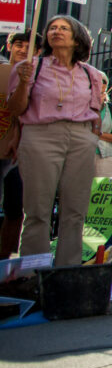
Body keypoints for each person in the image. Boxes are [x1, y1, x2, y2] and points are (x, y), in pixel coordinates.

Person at [6, 15, 105, 266]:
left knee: (75, 209)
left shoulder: (90, 73)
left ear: (77, 38)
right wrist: (23, 83)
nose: (56, 32)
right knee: (37, 209)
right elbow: (16, 109)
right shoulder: (30, 67)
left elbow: (96, 112)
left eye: (63, 28)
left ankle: (68, 270)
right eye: (52, 28)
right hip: (41, 135)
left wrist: (90, 139)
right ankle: (32, 270)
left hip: (81, 137)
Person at [0, 31, 41, 260]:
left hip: (21, 153)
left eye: (30, 46)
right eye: (18, 44)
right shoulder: (2, 71)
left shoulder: (41, 78)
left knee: (16, 211)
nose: (23, 49)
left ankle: (6, 263)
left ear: (38, 52)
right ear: (9, 46)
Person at [94, 73, 112, 178]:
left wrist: (99, 134)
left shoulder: (111, 109)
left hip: (105, 157)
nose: (100, 95)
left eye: (103, 92)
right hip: (84, 155)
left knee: (102, 190)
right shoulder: (83, 107)